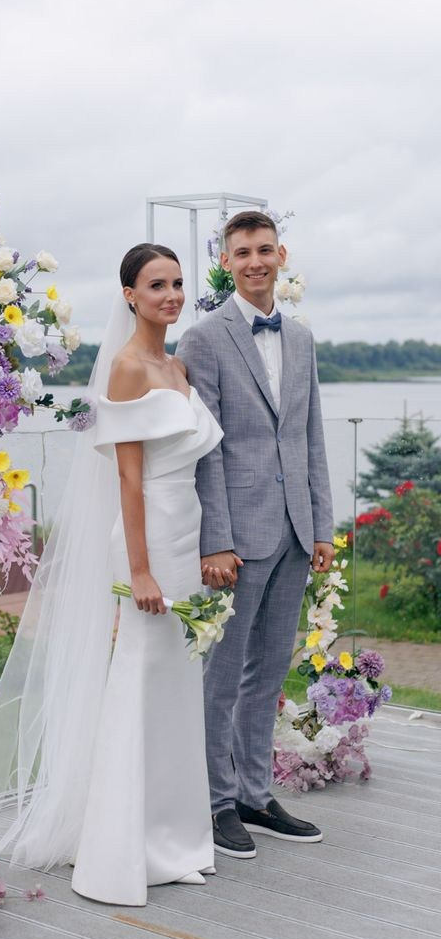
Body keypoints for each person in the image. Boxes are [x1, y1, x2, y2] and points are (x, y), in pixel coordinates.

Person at [0, 244, 223, 905]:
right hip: (147, 540)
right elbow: (128, 475)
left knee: (176, 684)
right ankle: (119, 852)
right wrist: (139, 570)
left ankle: (171, 839)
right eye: (156, 285)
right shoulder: (125, 369)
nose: (170, 295)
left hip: (187, 530)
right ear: (129, 295)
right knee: (140, 675)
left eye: (177, 283)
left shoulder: (176, 366)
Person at [177, 210, 334, 859]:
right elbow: (204, 451)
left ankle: (254, 792)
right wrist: (216, 539)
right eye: (243, 252)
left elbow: (310, 438)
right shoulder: (203, 340)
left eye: (265, 250)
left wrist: (322, 527)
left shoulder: (300, 338)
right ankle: (214, 802)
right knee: (222, 676)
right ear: (227, 260)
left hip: (296, 530)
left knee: (269, 671)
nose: (256, 262)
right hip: (237, 537)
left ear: (282, 254)